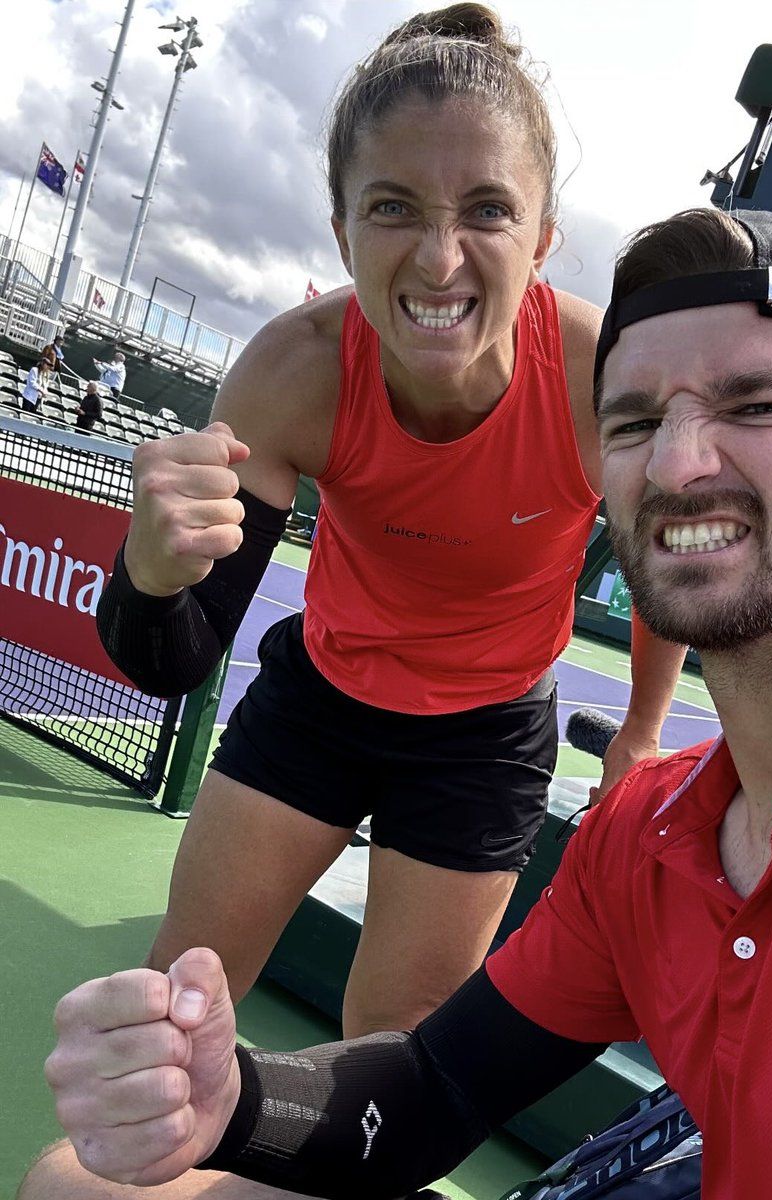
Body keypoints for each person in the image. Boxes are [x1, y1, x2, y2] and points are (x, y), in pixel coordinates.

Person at [29, 206, 772, 1200]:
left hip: (479, 743)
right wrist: (235, 1102)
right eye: (636, 422)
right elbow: (433, 1085)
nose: (680, 465)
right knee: (76, 1185)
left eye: (758, 407)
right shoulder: (649, 835)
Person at [90, 2, 684, 1043]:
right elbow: (170, 659)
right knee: (175, 1006)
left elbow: (665, 565)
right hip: (320, 701)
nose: (441, 260)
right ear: (343, 231)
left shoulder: (603, 382)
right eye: (395, 207)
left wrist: (639, 731)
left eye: (489, 211)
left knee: (395, 1059)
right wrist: (147, 572)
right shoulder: (293, 374)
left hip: (486, 737)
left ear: (543, 240)